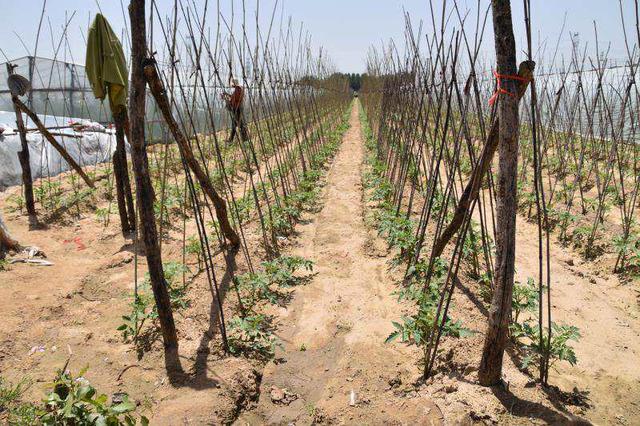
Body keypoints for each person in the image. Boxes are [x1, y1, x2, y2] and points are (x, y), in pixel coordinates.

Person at [221, 78, 248, 144]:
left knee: (239, 124)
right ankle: (234, 139)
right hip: (238, 108)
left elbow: (234, 101)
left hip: (236, 109)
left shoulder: (238, 90)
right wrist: (227, 95)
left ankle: (244, 139)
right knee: (235, 124)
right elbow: (234, 98)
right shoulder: (239, 89)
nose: (231, 85)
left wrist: (226, 100)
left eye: (232, 84)